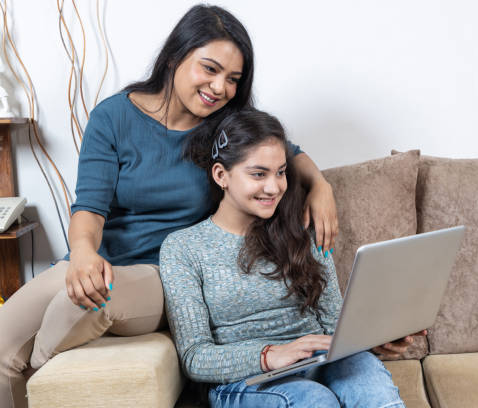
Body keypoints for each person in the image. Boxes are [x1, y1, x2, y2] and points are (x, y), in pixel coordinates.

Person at [0, 5, 340, 408]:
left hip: (164, 274)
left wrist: (320, 185)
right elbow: (89, 206)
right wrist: (84, 254)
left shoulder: (228, 126)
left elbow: (287, 153)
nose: (220, 87)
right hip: (98, 257)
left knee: (84, 302)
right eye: (209, 69)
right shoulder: (113, 116)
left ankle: (41, 371)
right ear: (176, 56)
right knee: (3, 346)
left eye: (233, 79)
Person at [160, 109, 422, 408]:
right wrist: (271, 355)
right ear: (221, 175)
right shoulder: (183, 248)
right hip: (246, 381)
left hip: (322, 361)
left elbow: (335, 325)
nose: (274, 188)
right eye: (258, 174)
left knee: (372, 389)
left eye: (281, 172)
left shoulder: (300, 233)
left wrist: (375, 340)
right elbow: (195, 357)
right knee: (314, 400)